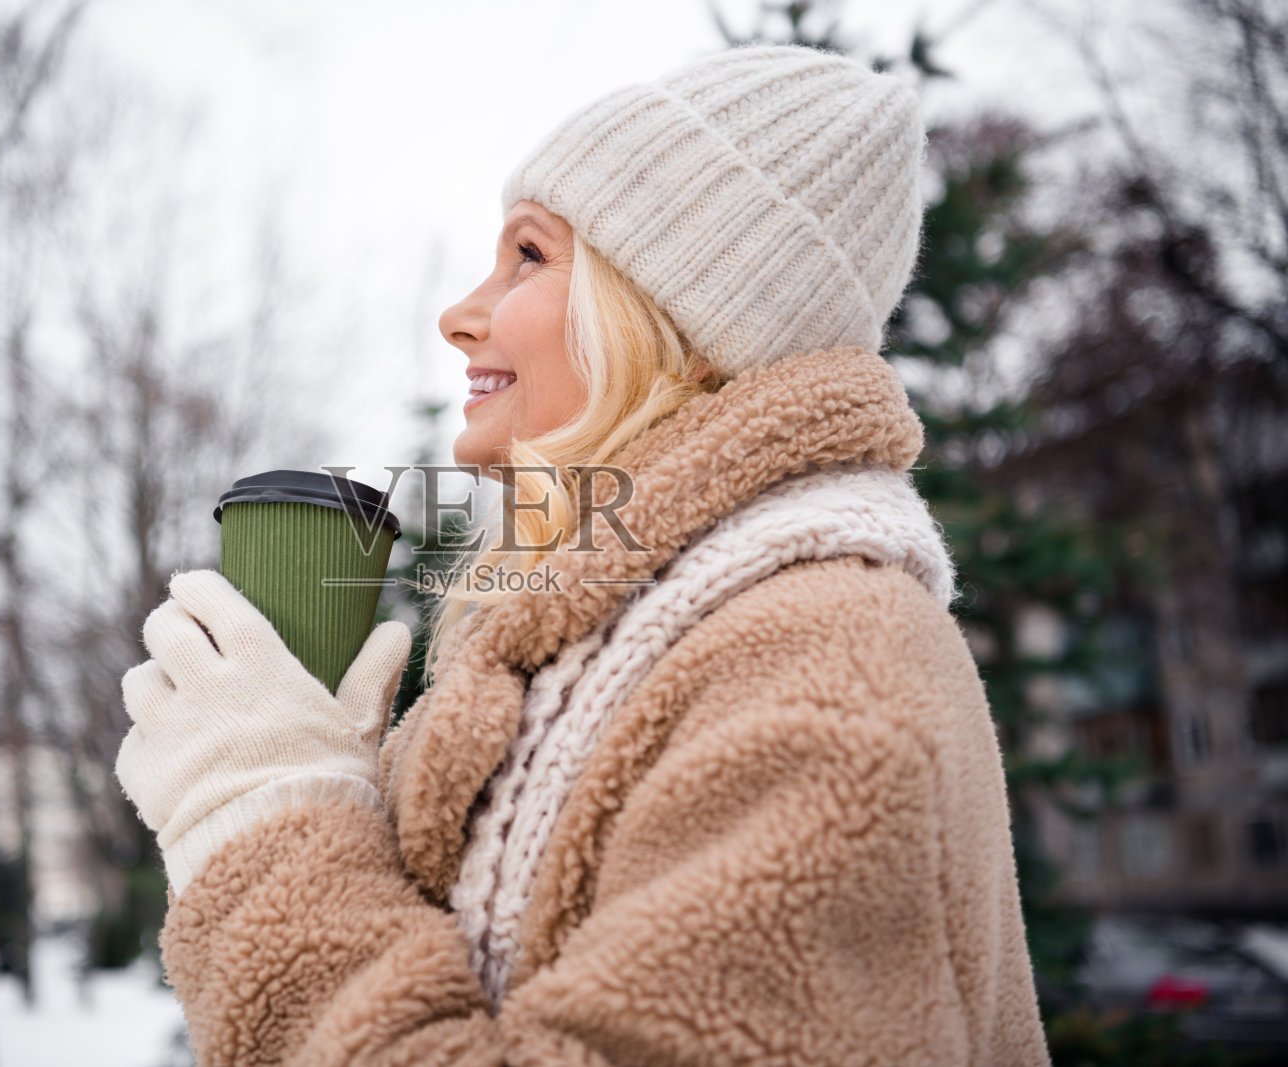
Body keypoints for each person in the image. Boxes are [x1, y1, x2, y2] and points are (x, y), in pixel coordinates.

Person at [114, 43, 1051, 1066]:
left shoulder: (827, 664)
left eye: (529, 255)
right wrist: (345, 798)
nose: (459, 314)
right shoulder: (621, 643)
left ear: (685, 320)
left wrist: (267, 830)